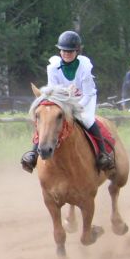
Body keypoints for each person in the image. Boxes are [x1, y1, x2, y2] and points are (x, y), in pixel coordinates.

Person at [21, 29, 115, 172]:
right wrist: (62, 106)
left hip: (84, 99)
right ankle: (33, 154)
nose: (66, 54)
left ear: (77, 51)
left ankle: (102, 154)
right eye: (63, 51)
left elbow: (88, 94)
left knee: (88, 120)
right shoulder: (53, 67)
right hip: (62, 101)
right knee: (47, 120)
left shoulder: (85, 68)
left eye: (70, 51)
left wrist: (74, 108)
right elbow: (52, 92)